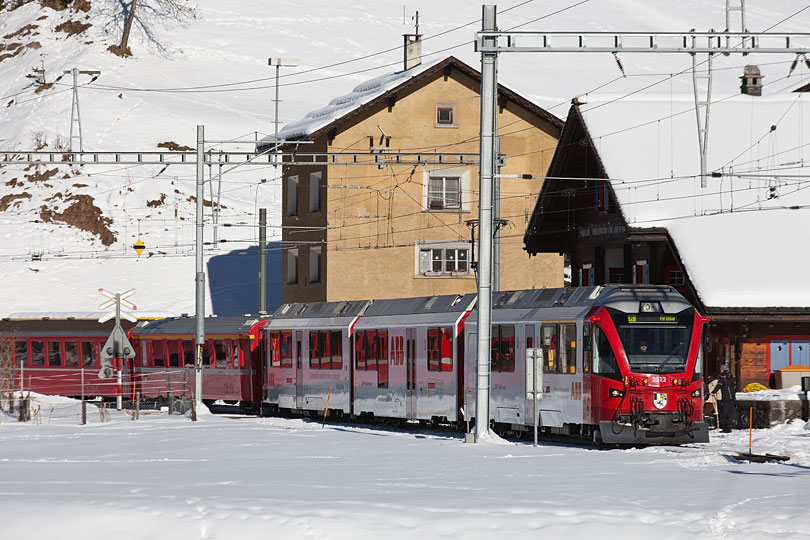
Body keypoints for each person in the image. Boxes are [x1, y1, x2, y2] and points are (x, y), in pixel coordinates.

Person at [714, 363, 736, 433]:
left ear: (722, 369)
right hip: (732, 396)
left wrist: (713, 392)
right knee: (730, 413)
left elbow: (719, 384)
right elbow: (734, 385)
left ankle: (725, 428)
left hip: (726, 397)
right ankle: (729, 427)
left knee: (724, 413)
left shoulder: (722, 376)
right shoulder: (731, 375)